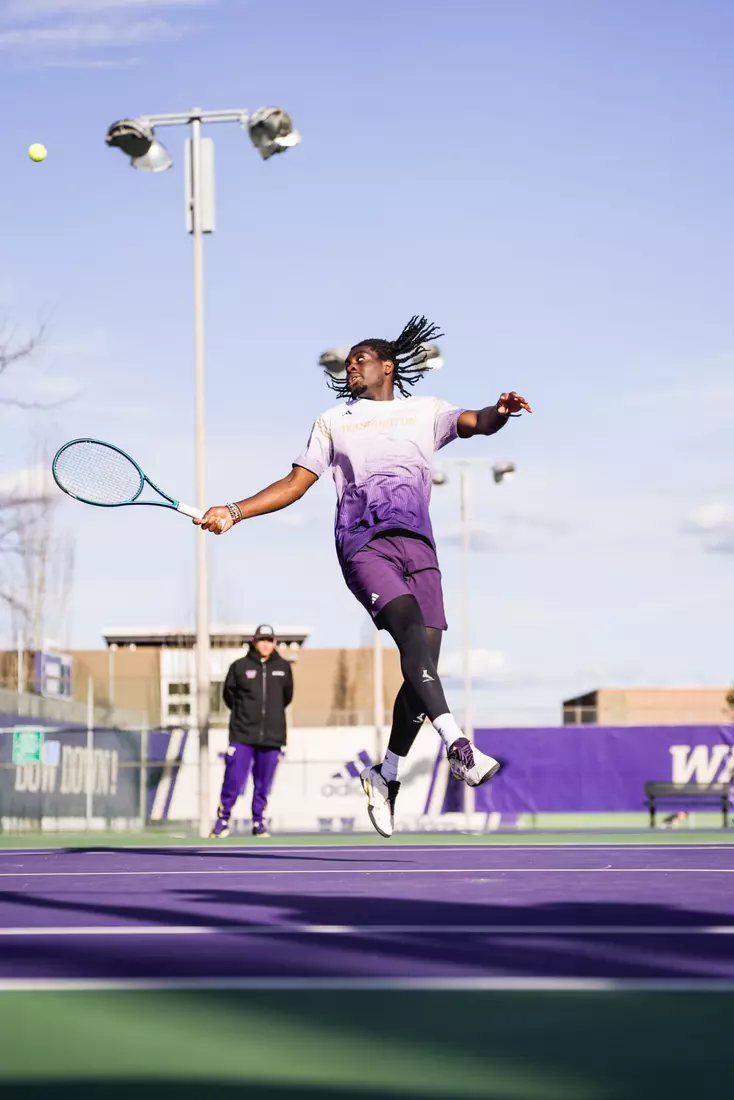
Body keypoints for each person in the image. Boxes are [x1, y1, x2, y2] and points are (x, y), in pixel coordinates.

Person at [197, 316, 531, 838]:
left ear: (387, 366)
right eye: (348, 361)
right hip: (364, 544)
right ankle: (457, 745)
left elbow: (477, 421)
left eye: (361, 359)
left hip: (419, 546)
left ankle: (387, 773)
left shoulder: (426, 411)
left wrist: (501, 412)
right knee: (408, 633)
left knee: (423, 671)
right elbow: (295, 483)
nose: (351, 366)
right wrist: (235, 511)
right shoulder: (334, 421)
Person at [210, 624, 293, 839]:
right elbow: (229, 696)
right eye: (261, 640)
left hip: (272, 737)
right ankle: (222, 821)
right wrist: (245, 716)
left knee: (263, 784)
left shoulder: (283, 667)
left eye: (269, 640)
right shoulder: (239, 667)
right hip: (242, 735)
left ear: (274, 643)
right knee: (234, 780)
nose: (265, 644)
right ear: (254, 642)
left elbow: (286, 697)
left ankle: (258, 823)